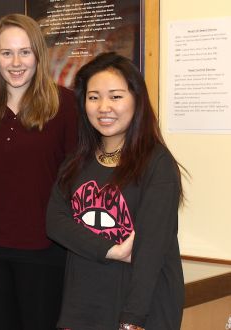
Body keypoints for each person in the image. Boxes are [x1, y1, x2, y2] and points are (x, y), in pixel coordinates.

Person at [0, 14, 77, 330]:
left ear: (38, 54)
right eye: (6, 53)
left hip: (46, 252)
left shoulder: (65, 105)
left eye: (25, 51)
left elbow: (77, 183)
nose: (16, 62)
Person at [46, 52, 185, 330]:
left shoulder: (157, 163)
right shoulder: (76, 162)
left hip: (142, 309)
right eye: (94, 97)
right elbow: (55, 223)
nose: (103, 107)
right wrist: (111, 249)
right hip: (84, 305)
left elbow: (151, 252)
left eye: (116, 96)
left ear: (136, 100)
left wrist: (132, 321)